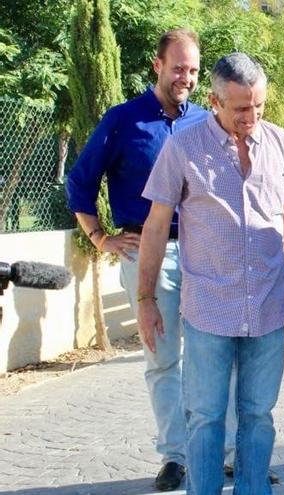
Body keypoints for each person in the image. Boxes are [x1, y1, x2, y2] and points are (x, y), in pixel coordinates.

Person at [137, 52, 284, 495]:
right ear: (214, 101)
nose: (251, 116)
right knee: (205, 417)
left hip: (269, 305)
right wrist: (145, 298)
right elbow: (157, 226)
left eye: (259, 106)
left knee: (258, 415)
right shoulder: (182, 147)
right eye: (240, 108)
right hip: (209, 309)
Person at [65, 28, 207, 491]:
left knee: (214, 356)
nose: (185, 77)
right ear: (157, 65)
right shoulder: (123, 120)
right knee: (163, 359)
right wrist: (100, 238)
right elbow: (80, 183)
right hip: (147, 253)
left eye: (193, 69)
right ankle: (175, 457)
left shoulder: (207, 121)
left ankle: (223, 454)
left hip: (207, 254)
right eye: (178, 67)